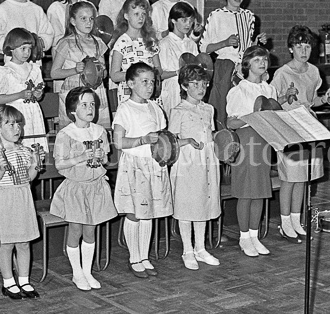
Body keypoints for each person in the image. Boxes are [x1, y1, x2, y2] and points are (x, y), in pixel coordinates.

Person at [269, 25, 330, 240]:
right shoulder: (282, 73)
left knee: (302, 178)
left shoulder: (314, 72)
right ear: (291, 48)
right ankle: (284, 223)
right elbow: (270, 103)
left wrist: (326, 99)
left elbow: (312, 101)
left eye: (307, 46)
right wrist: (284, 97)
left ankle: (296, 221)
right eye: (299, 46)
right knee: (289, 178)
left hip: (308, 126)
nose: (304, 51)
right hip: (288, 126)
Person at [51, 87, 118, 290]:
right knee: (76, 229)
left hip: (95, 187)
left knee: (91, 229)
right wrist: (80, 157)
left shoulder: (99, 131)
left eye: (92, 105)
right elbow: (59, 164)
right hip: (76, 188)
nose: (90, 109)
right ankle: (77, 272)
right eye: (84, 105)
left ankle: (87, 271)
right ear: (73, 110)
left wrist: (102, 157)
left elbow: (105, 159)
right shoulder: (66, 134)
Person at [112, 63, 173, 278]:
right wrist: (142, 140)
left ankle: (144, 257)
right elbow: (118, 141)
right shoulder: (125, 109)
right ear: (130, 83)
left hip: (153, 164)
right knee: (135, 212)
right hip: (135, 166)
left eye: (152, 82)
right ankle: (134, 258)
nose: (150, 86)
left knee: (149, 213)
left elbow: (163, 138)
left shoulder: (156, 108)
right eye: (144, 82)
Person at [0, 105, 42, 300]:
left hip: (23, 198)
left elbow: (28, 178)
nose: (17, 128)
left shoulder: (24, 150)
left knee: (24, 242)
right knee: (7, 244)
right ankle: (8, 282)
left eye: (18, 124)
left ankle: (24, 280)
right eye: (10, 124)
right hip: (6, 200)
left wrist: (35, 164)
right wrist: (0, 170)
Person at [225, 46, 277, 257]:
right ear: (247, 65)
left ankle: (254, 236)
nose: (262, 63)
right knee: (246, 192)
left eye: (264, 59)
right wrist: (251, 118)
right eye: (257, 60)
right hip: (246, 142)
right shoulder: (239, 91)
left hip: (264, 142)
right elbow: (231, 122)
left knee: (260, 191)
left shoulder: (269, 90)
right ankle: (244, 237)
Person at [169, 64, 221, 269]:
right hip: (187, 162)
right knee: (187, 205)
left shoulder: (208, 109)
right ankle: (187, 250)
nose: (201, 88)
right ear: (184, 85)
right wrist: (187, 141)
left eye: (204, 84)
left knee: (203, 203)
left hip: (206, 161)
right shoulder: (178, 111)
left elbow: (211, 135)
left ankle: (200, 248)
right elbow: (170, 142)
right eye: (195, 84)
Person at [200, 0, 268, 125]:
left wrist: (256, 43)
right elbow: (204, 48)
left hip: (245, 68)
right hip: (225, 68)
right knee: (223, 109)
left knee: (246, 108)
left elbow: (247, 47)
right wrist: (225, 43)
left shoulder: (249, 16)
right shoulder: (216, 16)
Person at [50, 1, 111, 128]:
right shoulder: (66, 42)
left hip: (95, 91)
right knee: (75, 131)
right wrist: (74, 70)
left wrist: (101, 71)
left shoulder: (98, 42)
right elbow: (54, 73)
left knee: (96, 130)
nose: (88, 22)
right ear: (73, 21)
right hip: (74, 92)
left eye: (91, 19)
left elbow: (104, 73)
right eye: (83, 19)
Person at [0, 28, 48, 153]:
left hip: (33, 112)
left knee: (36, 148)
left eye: (29, 49)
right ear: (11, 49)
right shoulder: (4, 71)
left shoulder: (34, 69)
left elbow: (38, 95)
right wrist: (20, 95)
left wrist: (38, 94)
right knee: (20, 147)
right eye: (23, 49)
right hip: (15, 114)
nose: (27, 52)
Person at [108, 0, 161, 111]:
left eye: (143, 14)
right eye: (136, 14)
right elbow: (114, 75)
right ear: (126, 16)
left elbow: (158, 69)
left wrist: (151, 75)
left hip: (149, 93)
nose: (141, 18)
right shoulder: (121, 42)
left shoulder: (150, 41)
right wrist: (136, 76)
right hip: (129, 94)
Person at [157, 2, 199, 117]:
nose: (188, 24)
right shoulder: (164, 44)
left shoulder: (191, 44)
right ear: (173, 20)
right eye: (184, 20)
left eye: (191, 21)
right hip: (172, 91)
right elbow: (160, 74)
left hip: (190, 91)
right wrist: (178, 72)